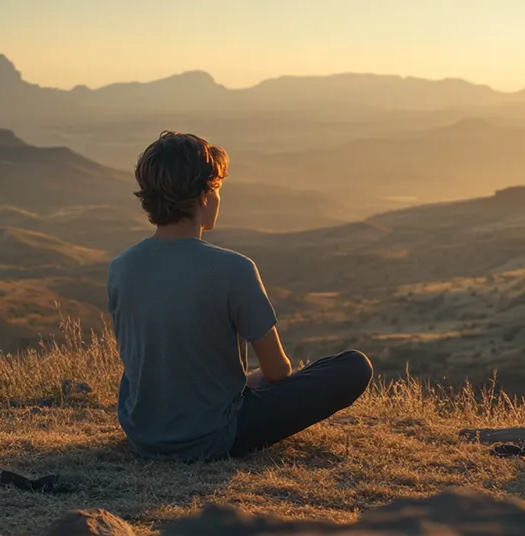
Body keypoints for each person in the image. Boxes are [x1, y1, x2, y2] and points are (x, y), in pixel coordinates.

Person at [107, 131, 373, 461]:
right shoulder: (234, 269)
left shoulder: (120, 267)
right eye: (217, 188)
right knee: (354, 366)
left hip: (143, 434)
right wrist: (248, 384)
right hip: (213, 435)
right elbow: (277, 372)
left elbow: (150, 363)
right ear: (203, 195)